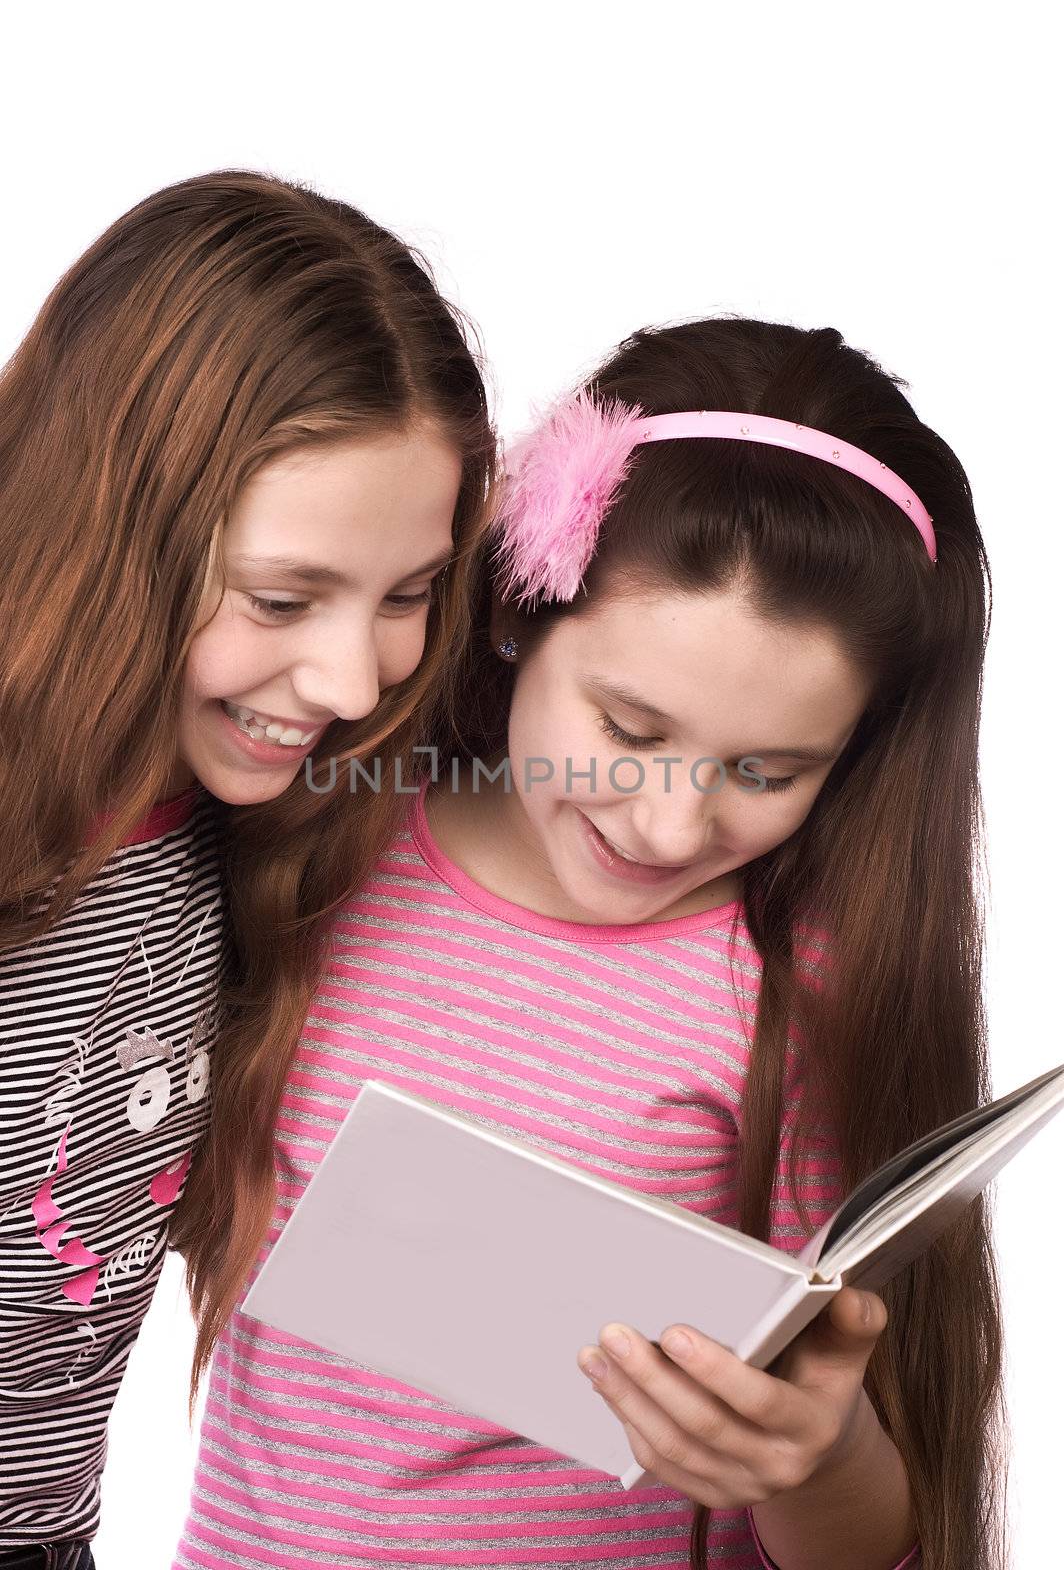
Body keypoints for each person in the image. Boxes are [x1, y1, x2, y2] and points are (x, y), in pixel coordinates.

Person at [174, 319, 1002, 1570]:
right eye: (625, 726)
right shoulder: (323, 841)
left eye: (765, 771)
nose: (669, 822)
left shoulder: (794, 991)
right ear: (517, 618)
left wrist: (816, 1457)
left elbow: (876, 1534)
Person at [0, 168, 495, 1570]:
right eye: (280, 600)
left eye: (407, 596)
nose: (350, 677)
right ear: (105, 538)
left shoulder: (253, 830)